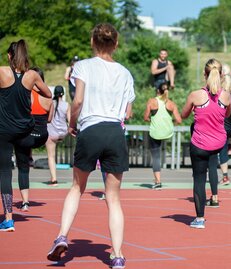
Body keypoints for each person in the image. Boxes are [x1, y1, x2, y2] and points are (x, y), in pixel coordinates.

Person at [47, 23, 135, 269]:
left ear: (92, 42)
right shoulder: (125, 73)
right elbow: (128, 111)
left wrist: (72, 124)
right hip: (115, 131)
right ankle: (117, 256)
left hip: (91, 128)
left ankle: (62, 235)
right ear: (116, 44)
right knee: (114, 198)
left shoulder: (82, 66)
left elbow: (78, 100)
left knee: (77, 187)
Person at [0, 40, 52, 232]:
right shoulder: (31, 76)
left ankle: (8, 219)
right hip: (25, 131)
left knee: (5, 173)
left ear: (9, 56)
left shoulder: (2, 71)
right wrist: (31, 87)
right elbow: (48, 94)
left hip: (4, 131)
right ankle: (25, 200)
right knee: (23, 165)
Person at [181, 58, 231, 229]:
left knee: (199, 179)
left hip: (200, 144)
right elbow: (227, 113)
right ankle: (215, 196)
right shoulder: (226, 95)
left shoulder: (196, 95)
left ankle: (200, 218)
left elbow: (184, 114)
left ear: (205, 74)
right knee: (213, 168)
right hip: (217, 143)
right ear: (222, 74)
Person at [16, 67, 53, 211]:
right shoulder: (48, 98)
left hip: (26, 137)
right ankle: (29, 156)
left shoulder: (25, 95)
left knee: (23, 168)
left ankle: (25, 202)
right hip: (42, 137)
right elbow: (49, 120)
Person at [144, 82, 182, 190]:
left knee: (156, 156)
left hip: (155, 133)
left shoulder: (152, 101)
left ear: (157, 91)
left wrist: (152, 119)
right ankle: (157, 180)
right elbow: (179, 120)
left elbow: (145, 117)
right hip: (167, 132)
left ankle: (158, 181)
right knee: (161, 151)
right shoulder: (171, 103)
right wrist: (170, 123)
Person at [45, 85, 71, 186]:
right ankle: (52, 177)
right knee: (54, 153)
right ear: (63, 94)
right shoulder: (67, 105)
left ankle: (54, 179)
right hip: (63, 132)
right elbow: (69, 119)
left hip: (51, 133)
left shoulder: (51, 103)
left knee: (51, 156)